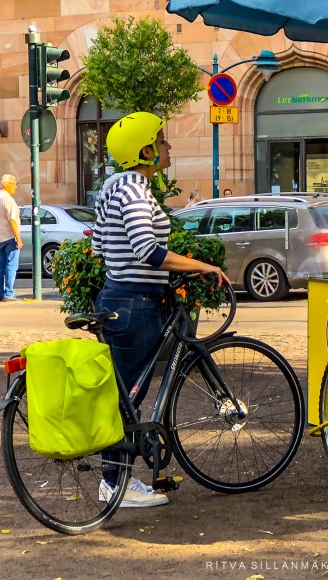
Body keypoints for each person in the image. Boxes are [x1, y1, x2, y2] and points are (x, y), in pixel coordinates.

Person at [92, 111, 230, 508]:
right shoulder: (135, 189)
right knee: (130, 398)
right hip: (135, 303)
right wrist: (202, 265)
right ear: (146, 151)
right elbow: (148, 251)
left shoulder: (112, 187)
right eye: (162, 141)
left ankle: (115, 479)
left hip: (118, 295)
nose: (168, 147)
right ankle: (114, 484)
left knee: (127, 393)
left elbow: (102, 248)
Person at [0, 173, 23, 302]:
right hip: (10, 238)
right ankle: (8, 293)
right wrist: (18, 238)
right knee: (11, 266)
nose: (16, 187)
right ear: (7, 185)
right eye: (14, 184)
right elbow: (13, 220)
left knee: (0, 266)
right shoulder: (8, 200)